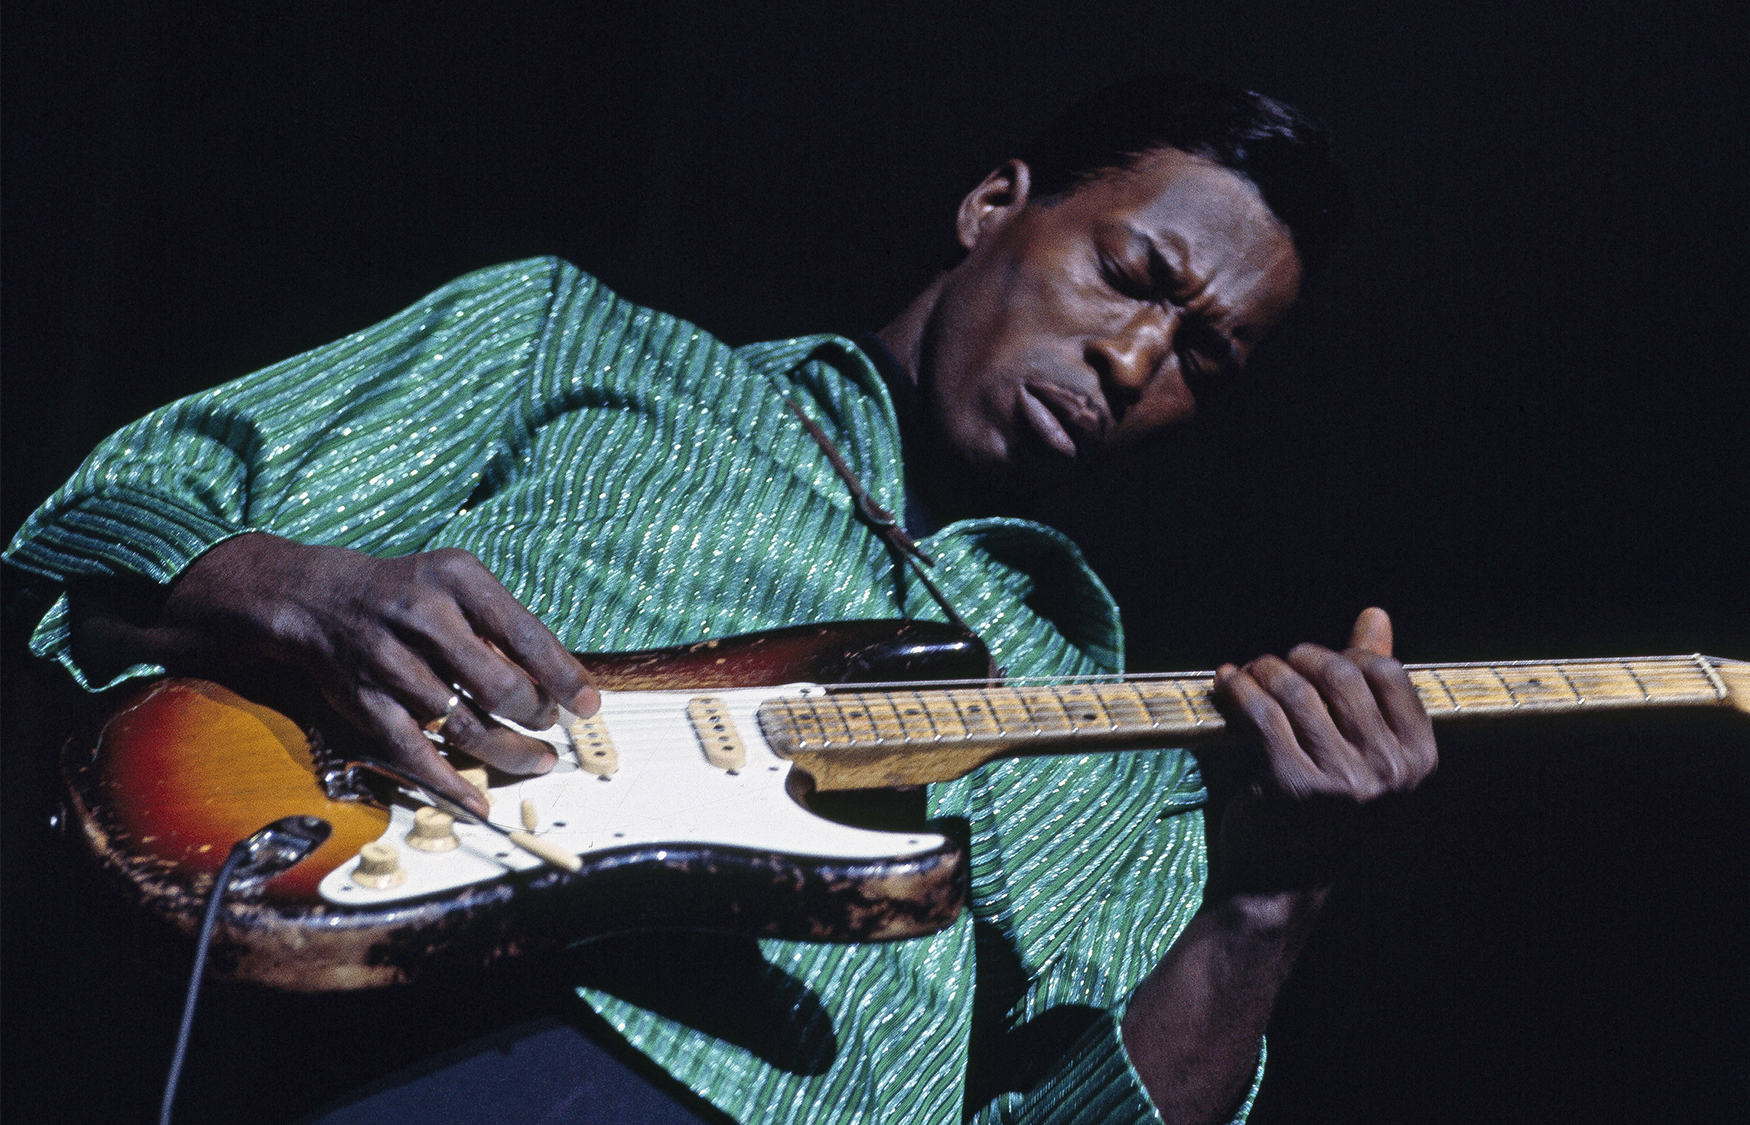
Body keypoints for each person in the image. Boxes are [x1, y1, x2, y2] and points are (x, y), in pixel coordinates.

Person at [6, 77, 1436, 1125]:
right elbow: (102, 523)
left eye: (1206, 358)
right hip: (448, 1053)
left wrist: (1270, 895)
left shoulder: (1110, 726)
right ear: (995, 204)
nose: (1135, 360)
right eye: (1130, 275)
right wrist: (299, 589)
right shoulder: (572, 340)